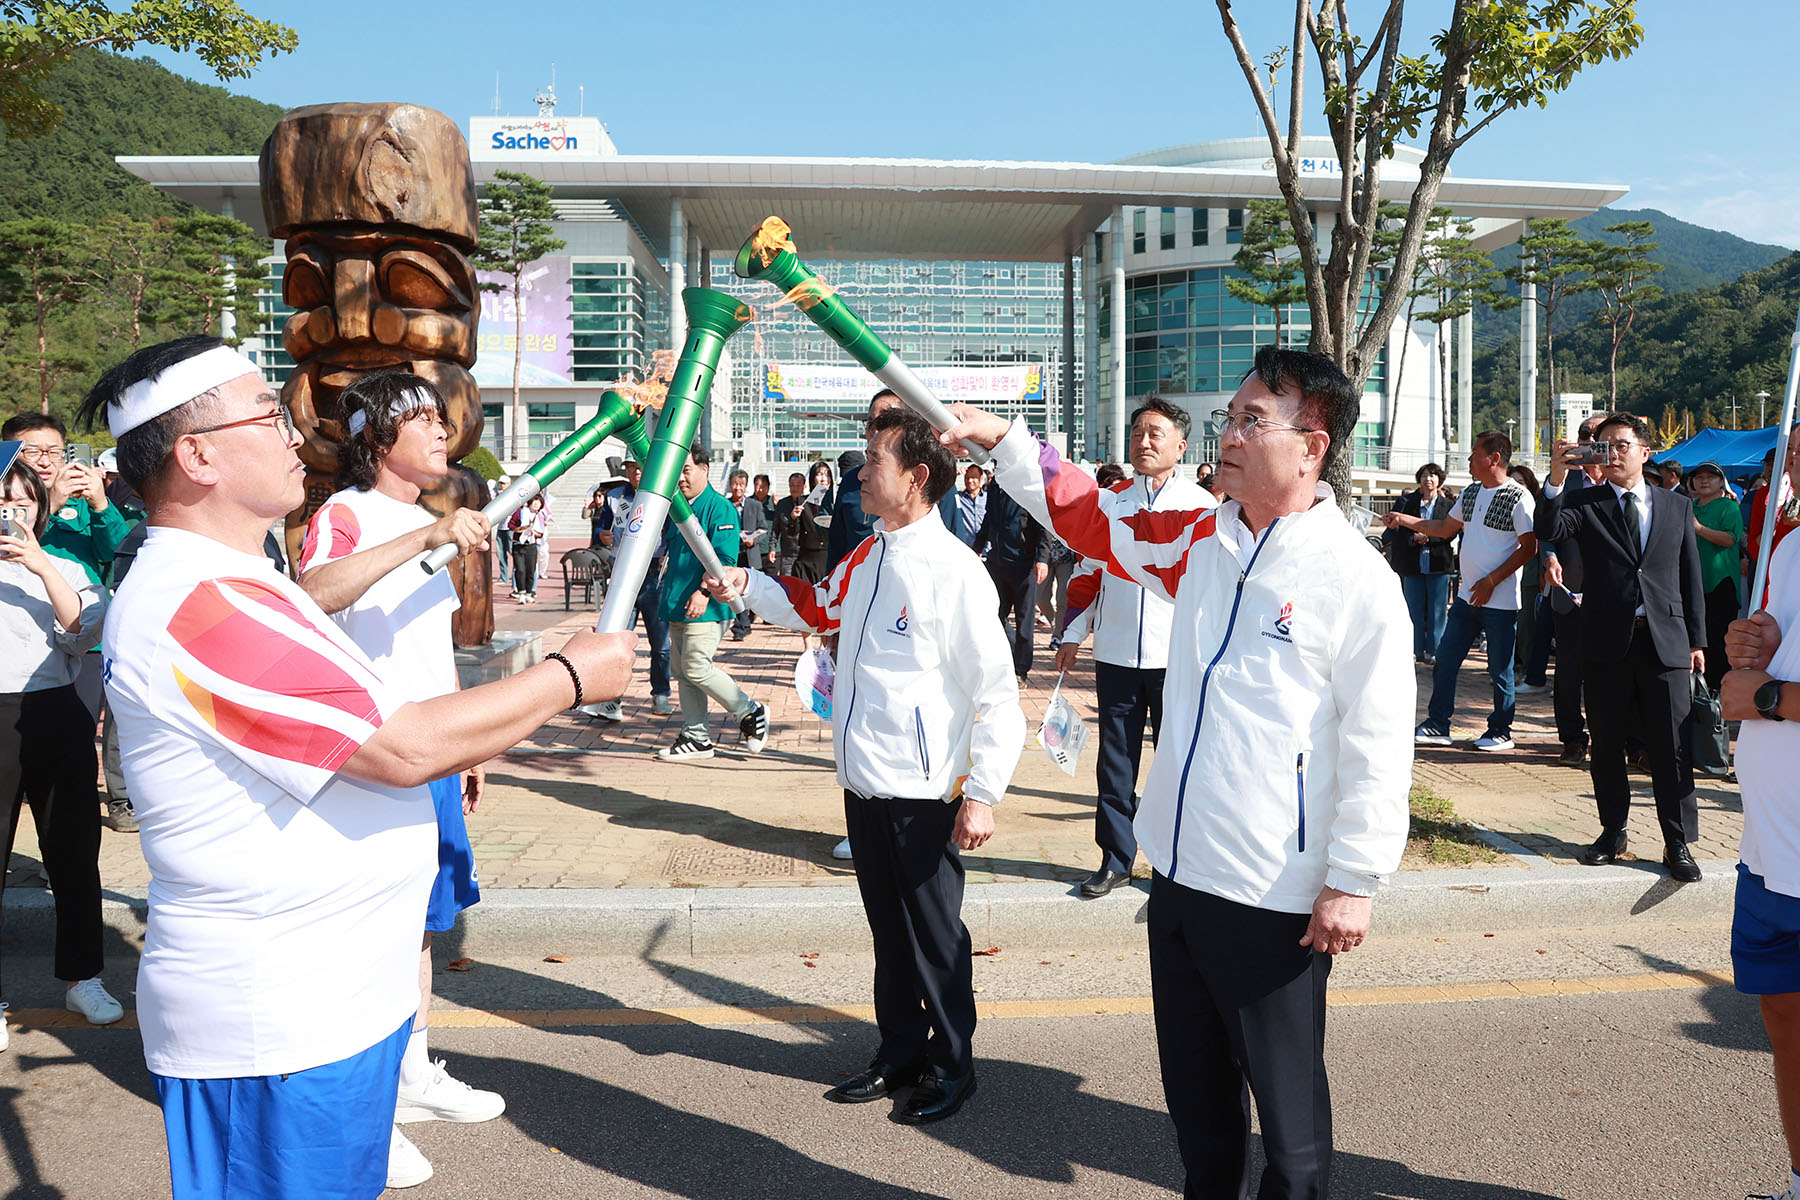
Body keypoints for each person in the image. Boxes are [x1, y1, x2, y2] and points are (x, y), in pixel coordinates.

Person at [82, 335, 634, 1200]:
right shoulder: (199, 601)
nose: (296, 434)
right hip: (278, 1026)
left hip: (335, 1003)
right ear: (196, 455)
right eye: (268, 416)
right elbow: (402, 745)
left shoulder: (238, 581)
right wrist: (567, 677)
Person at [939, 345, 1414, 1198]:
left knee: (1292, 1138)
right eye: (1230, 417)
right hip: (1181, 879)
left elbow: (1381, 743)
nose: (1227, 434)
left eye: (1249, 420)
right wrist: (1001, 439)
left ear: (1312, 445)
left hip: (1276, 894)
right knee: (1199, 1119)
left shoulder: (1357, 580)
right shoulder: (1203, 541)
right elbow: (1089, 518)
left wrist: (1354, 877)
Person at [704, 407, 1023, 1124]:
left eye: (874, 459)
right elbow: (818, 606)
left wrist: (985, 793)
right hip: (864, 780)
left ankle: (952, 1064)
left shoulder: (956, 574)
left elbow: (996, 694)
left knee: (934, 937)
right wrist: (745, 585)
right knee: (889, 931)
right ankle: (900, 1052)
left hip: (925, 789)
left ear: (916, 477)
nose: (860, 472)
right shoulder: (868, 555)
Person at [295, 371, 502, 1189]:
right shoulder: (345, 517)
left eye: (439, 416)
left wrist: (468, 741)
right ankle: (365, 1109)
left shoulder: (423, 518)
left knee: (420, 925)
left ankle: (410, 1074)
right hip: (372, 759)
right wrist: (425, 541)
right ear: (374, 437)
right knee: (369, 932)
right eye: (419, 419)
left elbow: (425, 649)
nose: (440, 431)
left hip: (432, 753)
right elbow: (311, 598)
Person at [1053, 396, 1215, 899]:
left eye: (1156, 433)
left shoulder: (1202, 507)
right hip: (1118, 653)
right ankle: (1116, 859)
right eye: (1138, 432)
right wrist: (1072, 636)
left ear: (1181, 445)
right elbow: (1085, 573)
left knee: (1178, 759)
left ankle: (1179, 863)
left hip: (1178, 659)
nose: (1144, 441)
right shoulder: (1109, 503)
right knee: (1116, 761)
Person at [1539, 412, 1706, 882]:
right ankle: (1613, 831)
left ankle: (1678, 842)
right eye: (1604, 446)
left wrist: (1697, 640)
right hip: (1607, 639)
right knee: (1607, 742)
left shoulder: (1676, 506)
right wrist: (1555, 479)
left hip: (1665, 641)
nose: (1611, 454)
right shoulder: (1585, 501)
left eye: (1621, 445)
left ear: (1644, 452)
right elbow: (1548, 528)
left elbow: (1689, 577)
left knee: (1671, 745)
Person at [0, 456, 119, 1053]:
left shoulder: (67, 565)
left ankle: (83, 976)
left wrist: (42, 566)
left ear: (42, 509)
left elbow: (83, 634)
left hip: (53, 710)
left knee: (73, 853)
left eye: (24, 502)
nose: (12, 513)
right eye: (3, 501)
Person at [3, 412, 141, 831]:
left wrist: (100, 503)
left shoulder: (85, 505)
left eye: (54, 451)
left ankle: (117, 800)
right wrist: (49, 503)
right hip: (21, 648)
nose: (46, 460)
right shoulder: (20, 503)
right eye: (33, 450)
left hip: (85, 637)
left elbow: (120, 553)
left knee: (77, 739)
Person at [1722, 550, 1800, 1200]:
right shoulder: (1791, 542)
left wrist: (1771, 697)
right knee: (1784, 1018)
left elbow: (1771, 695)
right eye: (1795, 447)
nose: (1798, 461)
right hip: (1770, 850)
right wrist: (1764, 646)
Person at [1386, 432, 1538, 752]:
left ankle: (1500, 730)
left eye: (1473, 453)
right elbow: (1443, 529)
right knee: (1445, 660)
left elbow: (1529, 548)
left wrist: (1492, 581)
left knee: (1500, 670)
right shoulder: (1470, 493)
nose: (1468, 460)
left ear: (1494, 458)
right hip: (1468, 598)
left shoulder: (1519, 497)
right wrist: (1403, 519)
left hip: (1499, 602)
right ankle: (1438, 724)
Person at [656, 442, 768, 762]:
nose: (680, 477)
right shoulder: (678, 506)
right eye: (676, 471)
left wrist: (703, 593)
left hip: (708, 604)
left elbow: (724, 560)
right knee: (683, 671)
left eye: (686, 469)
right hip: (677, 600)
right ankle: (696, 737)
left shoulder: (719, 508)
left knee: (695, 666)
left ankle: (749, 711)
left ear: (705, 469)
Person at [1540, 414, 1609, 767]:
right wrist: (1549, 558)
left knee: (1611, 674)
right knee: (1568, 673)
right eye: (1586, 434)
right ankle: (1571, 740)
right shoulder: (1563, 480)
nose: (1593, 440)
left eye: (1601, 435)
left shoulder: (1622, 480)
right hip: (1570, 592)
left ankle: (1611, 738)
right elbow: (1546, 528)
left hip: (1614, 596)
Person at [589, 458, 672, 720]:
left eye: (641, 466)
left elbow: (673, 533)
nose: (636, 472)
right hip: (622, 579)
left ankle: (661, 693)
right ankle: (611, 700)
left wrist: (668, 556)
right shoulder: (614, 497)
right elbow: (601, 527)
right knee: (616, 640)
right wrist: (601, 534)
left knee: (660, 643)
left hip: (654, 579)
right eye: (631, 467)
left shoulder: (663, 495)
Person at [974, 471, 1049, 683]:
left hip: (1023, 564)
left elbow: (1042, 523)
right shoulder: (996, 484)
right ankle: (1008, 656)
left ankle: (1020, 670)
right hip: (997, 561)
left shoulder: (1030, 482)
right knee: (993, 616)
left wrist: (1042, 558)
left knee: (1025, 622)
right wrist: (976, 548)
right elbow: (989, 519)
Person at [1382, 463, 1455, 664]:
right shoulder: (1406, 502)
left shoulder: (1448, 505)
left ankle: (1435, 650)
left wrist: (1430, 538)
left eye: (1432, 475)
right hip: (1412, 564)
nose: (1428, 479)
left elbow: (1451, 531)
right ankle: (1414, 649)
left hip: (1438, 564)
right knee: (1413, 609)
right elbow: (1395, 530)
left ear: (1440, 480)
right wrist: (1412, 539)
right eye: (1424, 475)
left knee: (1438, 610)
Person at [1690, 460, 1744, 694]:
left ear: (1721, 482)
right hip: (1693, 582)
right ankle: (1698, 691)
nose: (1704, 480)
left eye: (1710, 477)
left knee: (1718, 639)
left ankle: (1717, 695)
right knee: (1696, 638)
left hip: (1721, 582)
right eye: (1699, 476)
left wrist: (1699, 529)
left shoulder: (1728, 507)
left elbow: (1730, 539)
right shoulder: (1688, 505)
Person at [727, 468, 767, 640]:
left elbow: (763, 528)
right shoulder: (725, 504)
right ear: (730, 485)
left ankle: (745, 622)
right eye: (735, 484)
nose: (738, 488)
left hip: (749, 554)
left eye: (741, 484)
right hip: (732, 555)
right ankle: (740, 626)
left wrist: (754, 540)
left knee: (748, 591)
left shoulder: (754, 505)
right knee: (734, 591)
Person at [794, 461, 833, 582]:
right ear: (812, 478)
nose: (823, 478)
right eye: (820, 474)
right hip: (808, 559)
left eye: (827, 474)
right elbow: (793, 532)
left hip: (828, 556)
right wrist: (793, 518)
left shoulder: (836, 500)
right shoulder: (803, 501)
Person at [508, 494, 549, 603]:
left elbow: (541, 532)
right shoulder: (520, 512)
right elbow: (511, 525)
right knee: (520, 569)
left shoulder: (540, 515)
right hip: (519, 544)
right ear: (529, 502)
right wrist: (519, 529)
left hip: (531, 545)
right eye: (534, 501)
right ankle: (521, 592)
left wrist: (534, 533)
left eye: (539, 502)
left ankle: (529, 592)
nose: (536, 504)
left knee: (531, 570)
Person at [772, 471, 808, 577]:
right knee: (788, 585)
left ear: (803, 486)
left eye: (798, 485)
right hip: (788, 553)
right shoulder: (782, 504)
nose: (795, 488)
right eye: (792, 485)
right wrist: (772, 548)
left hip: (805, 552)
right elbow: (776, 528)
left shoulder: (809, 504)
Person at [954, 463, 987, 549]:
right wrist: (953, 474)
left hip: (986, 550)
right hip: (966, 549)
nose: (969, 481)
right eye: (967, 478)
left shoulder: (989, 498)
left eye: (973, 477)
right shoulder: (959, 498)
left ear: (981, 478)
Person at [491, 474, 514, 587]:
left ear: (509, 484)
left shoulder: (512, 494)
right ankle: (504, 576)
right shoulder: (497, 495)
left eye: (504, 483)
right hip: (501, 528)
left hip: (510, 528)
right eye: (500, 483)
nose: (502, 486)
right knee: (500, 553)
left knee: (513, 552)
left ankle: (516, 577)